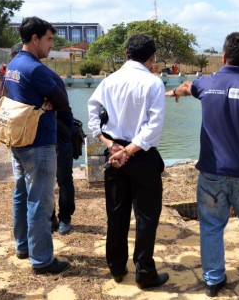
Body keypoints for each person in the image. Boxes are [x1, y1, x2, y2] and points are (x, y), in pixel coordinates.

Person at [165, 32, 239, 297]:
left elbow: (187, 85)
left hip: (212, 172)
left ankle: (214, 279)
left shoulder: (207, 85)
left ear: (224, 56)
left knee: (212, 225)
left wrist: (174, 92)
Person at [88, 33, 169, 289]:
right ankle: (144, 272)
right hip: (141, 156)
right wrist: (129, 150)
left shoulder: (108, 81)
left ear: (126, 55)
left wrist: (113, 146)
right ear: (152, 57)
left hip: (114, 155)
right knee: (146, 216)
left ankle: (116, 266)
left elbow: (93, 118)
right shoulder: (153, 83)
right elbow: (153, 127)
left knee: (116, 212)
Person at [4, 16, 71, 275]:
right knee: (40, 203)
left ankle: (23, 246)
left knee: (21, 194)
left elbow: (7, 95)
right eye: (49, 39)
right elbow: (62, 101)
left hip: (18, 140)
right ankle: (42, 259)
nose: (51, 45)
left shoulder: (13, 65)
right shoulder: (37, 69)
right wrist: (49, 100)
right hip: (39, 142)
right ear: (35, 39)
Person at [50, 79, 76, 235]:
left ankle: (65, 218)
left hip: (61, 141)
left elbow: (67, 121)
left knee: (64, 181)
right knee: (46, 183)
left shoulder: (55, 87)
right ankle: (50, 218)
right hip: (42, 143)